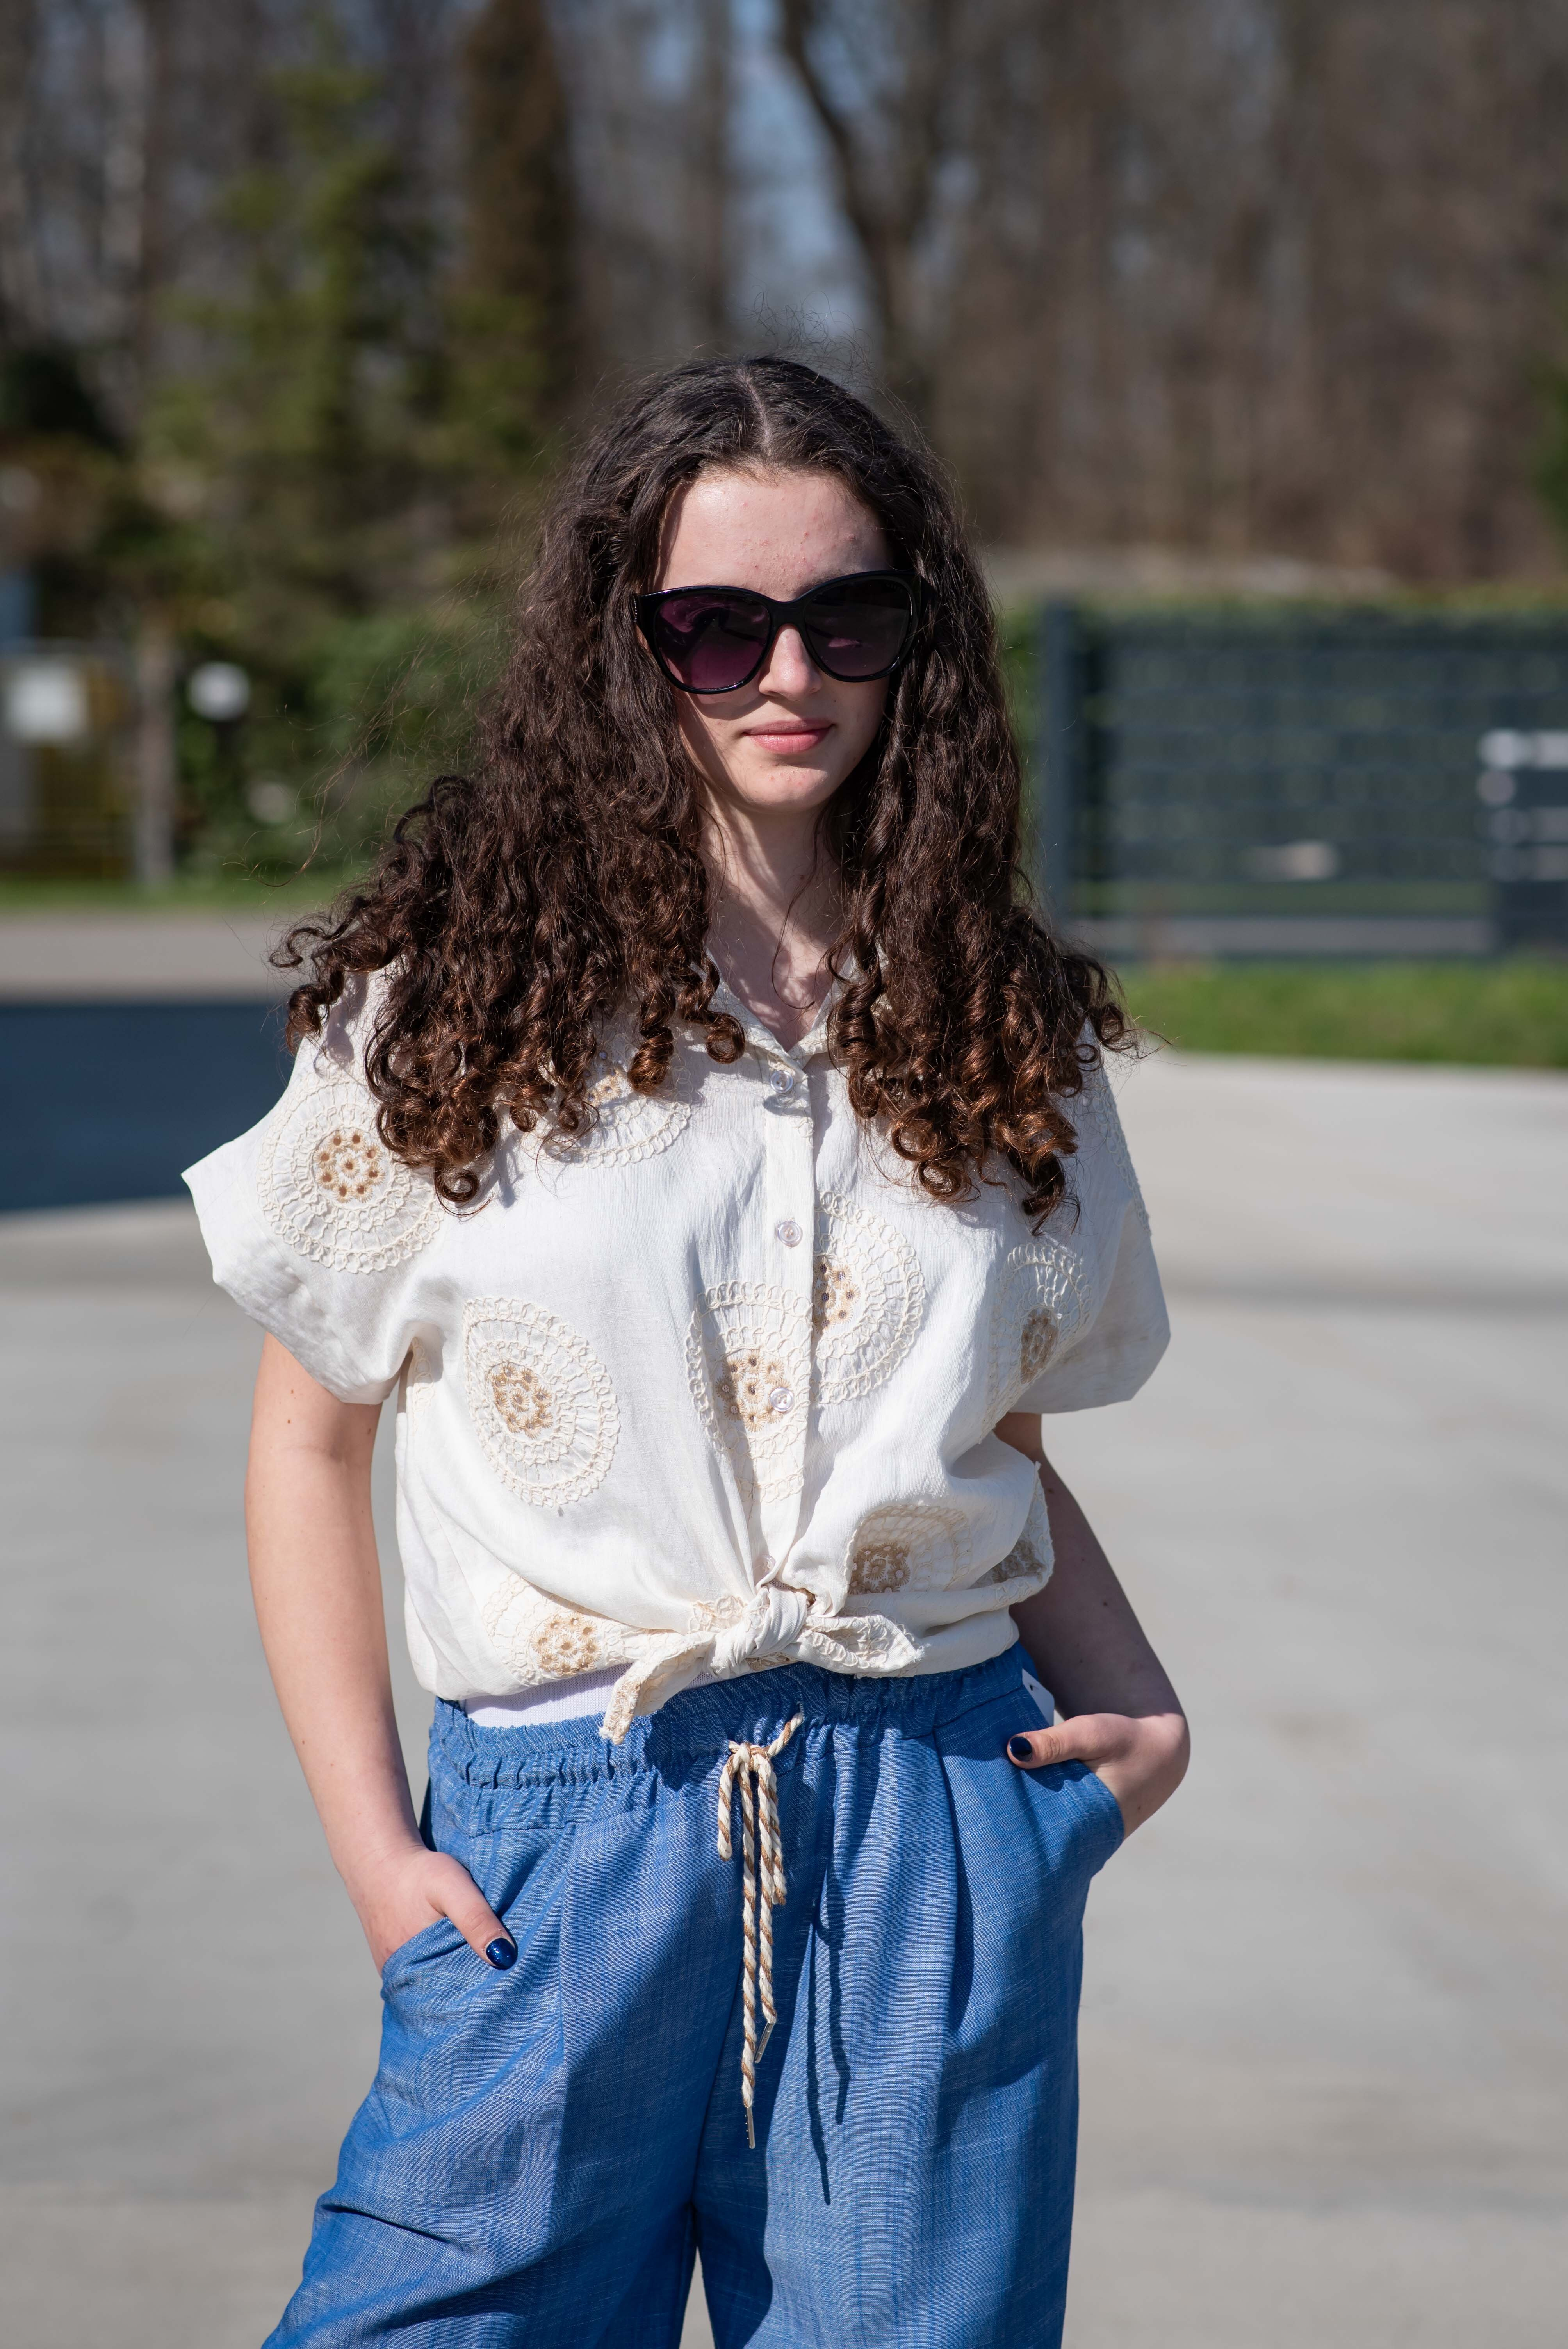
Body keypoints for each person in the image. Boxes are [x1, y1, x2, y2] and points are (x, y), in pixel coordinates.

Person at [186, 354, 1188, 2349]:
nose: (786, 672)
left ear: (917, 642)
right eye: (716, 626)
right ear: (622, 647)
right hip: (562, 1827)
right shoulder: (451, 1005)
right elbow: (309, 1443)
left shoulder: (994, 1023)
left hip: (931, 1812)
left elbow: (981, 1434)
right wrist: (381, 1857)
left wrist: (1136, 1712)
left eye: (848, 616)